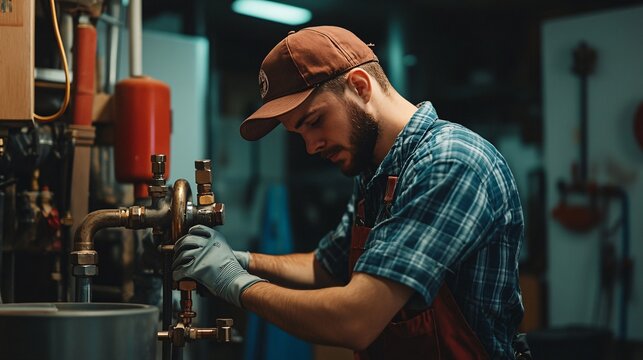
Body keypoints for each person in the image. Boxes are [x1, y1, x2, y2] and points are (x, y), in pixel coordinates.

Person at [172, 26, 525, 359]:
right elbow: (325, 266)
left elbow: (356, 319)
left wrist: (235, 283)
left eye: (314, 121)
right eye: (299, 133)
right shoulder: (376, 169)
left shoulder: (449, 162)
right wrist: (240, 258)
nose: (310, 146)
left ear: (359, 86)